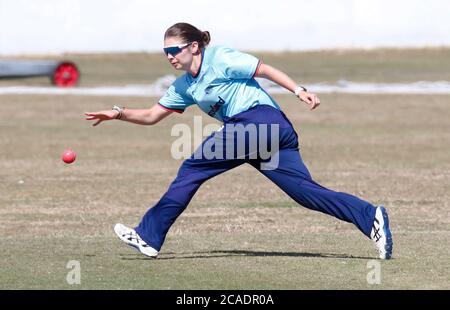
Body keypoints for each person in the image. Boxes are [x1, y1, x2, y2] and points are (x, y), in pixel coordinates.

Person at [85, 22, 393, 259]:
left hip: (263, 122)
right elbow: (153, 115)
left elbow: (265, 69)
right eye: (165, 52)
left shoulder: (220, 57)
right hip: (262, 133)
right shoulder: (185, 87)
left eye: (175, 49)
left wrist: (299, 91)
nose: (170, 56)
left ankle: (149, 237)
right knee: (305, 193)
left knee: (193, 168)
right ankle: (370, 217)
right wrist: (118, 113)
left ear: (194, 46)